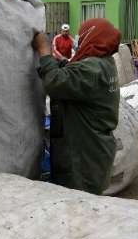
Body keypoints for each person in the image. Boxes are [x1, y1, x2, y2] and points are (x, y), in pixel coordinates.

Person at [32, 18, 121, 194]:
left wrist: (44, 51)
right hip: (94, 150)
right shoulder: (105, 62)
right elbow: (73, 71)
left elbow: (56, 82)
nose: (78, 40)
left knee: (78, 206)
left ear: (91, 36)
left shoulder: (92, 68)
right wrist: (59, 62)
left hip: (83, 156)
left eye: (81, 36)